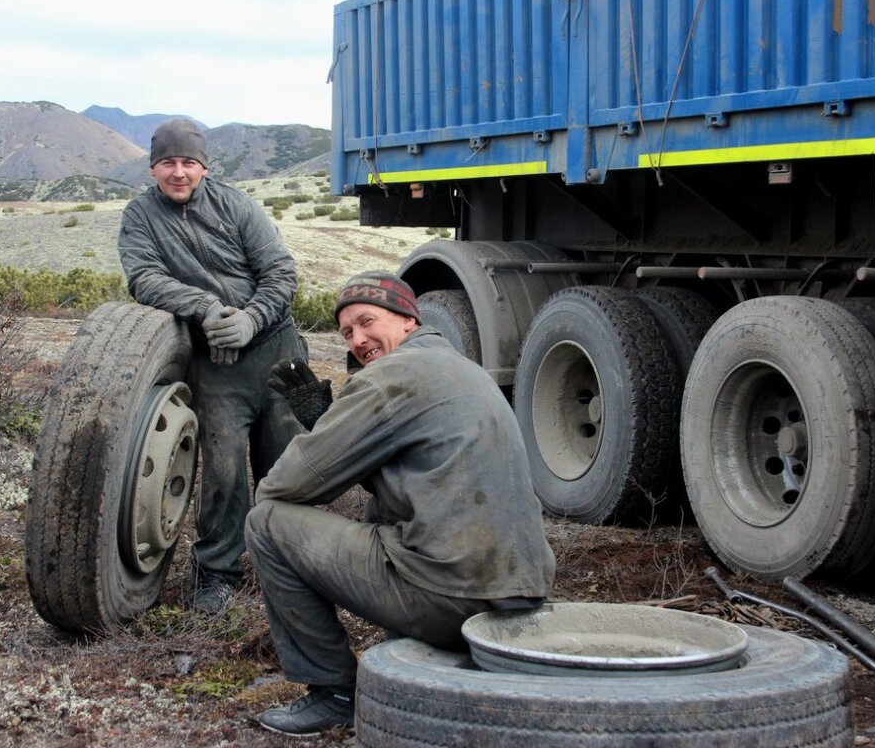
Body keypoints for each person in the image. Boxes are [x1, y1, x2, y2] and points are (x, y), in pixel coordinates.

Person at [245, 271, 555, 736]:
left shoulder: (389, 378)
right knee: (390, 517)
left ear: (408, 320)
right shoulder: (461, 368)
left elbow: (286, 487)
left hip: (452, 597)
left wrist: (328, 431)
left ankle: (333, 693)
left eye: (367, 322)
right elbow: (412, 467)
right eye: (347, 332)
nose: (357, 340)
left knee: (265, 523)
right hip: (520, 595)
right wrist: (332, 423)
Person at [118, 118, 302, 614]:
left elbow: (281, 273)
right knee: (222, 471)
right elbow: (143, 278)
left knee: (291, 461)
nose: (178, 173)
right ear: (153, 167)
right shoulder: (140, 216)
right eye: (168, 163)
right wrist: (205, 307)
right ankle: (217, 573)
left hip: (279, 349)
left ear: (204, 166)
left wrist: (252, 318)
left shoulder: (236, 205)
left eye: (188, 163)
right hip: (216, 361)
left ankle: (288, 561)